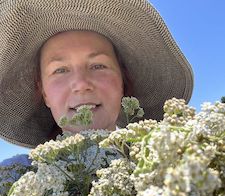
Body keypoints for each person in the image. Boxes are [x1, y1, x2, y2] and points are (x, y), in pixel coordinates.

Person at [0, 0, 193, 170]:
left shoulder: (173, 164)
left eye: (98, 65)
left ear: (122, 82)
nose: (81, 84)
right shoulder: (13, 177)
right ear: (44, 93)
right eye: (60, 70)